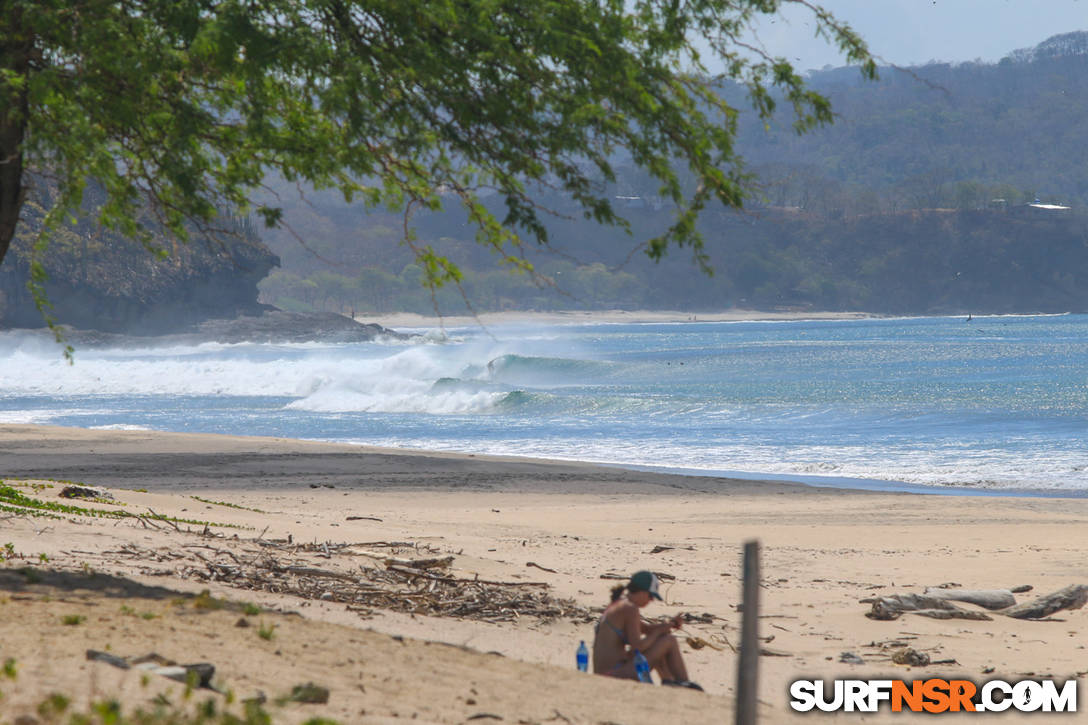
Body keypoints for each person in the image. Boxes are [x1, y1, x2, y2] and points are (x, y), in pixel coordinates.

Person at [591, 570, 703, 690]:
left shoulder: (620, 604)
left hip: (609, 671)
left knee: (662, 637)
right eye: (650, 596)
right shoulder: (630, 608)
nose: (651, 600)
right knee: (669, 641)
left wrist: (670, 624)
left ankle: (670, 681)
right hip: (614, 674)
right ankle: (682, 683)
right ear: (642, 592)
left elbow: (647, 629)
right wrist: (659, 631)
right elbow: (637, 646)